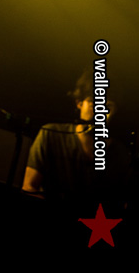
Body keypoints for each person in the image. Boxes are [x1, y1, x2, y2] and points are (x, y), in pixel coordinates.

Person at [22, 70, 131, 213]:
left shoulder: (120, 154)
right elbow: (29, 187)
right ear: (79, 103)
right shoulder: (51, 134)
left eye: (108, 106)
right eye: (94, 103)